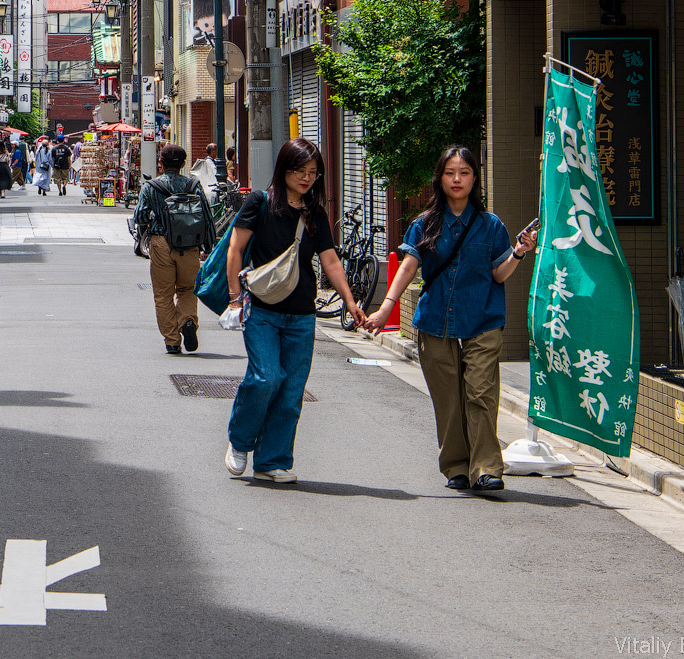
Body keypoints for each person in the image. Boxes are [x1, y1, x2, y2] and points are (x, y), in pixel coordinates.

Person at [364, 146, 538, 493]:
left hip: (483, 319)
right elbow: (410, 266)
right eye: (450, 173)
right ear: (440, 179)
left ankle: (486, 468)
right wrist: (386, 307)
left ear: (475, 178)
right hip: (436, 320)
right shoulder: (424, 224)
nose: (457, 179)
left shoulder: (491, 226)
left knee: (481, 393)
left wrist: (519, 252)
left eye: (464, 173)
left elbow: (499, 275)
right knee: (448, 400)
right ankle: (457, 467)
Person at [223, 138, 367, 483]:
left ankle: (272, 460)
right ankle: (240, 441)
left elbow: (329, 259)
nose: (306, 178)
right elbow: (235, 248)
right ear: (284, 168)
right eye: (300, 170)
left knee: (290, 391)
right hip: (262, 309)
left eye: (313, 173)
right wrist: (233, 296)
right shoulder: (259, 202)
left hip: (302, 314)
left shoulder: (314, 212)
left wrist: (349, 299)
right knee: (266, 377)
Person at [135, 144, 216, 354]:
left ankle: (172, 340)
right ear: (182, 164)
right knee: (187, 289)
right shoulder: (193, 185)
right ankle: (187, 321)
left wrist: (155, 217)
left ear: (160, 163)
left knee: (163, 294)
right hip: (189, 245)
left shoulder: (152, 187)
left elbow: (140, 217)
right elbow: (207, 218)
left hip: (161, 243)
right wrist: (208, 245)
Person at [52, 128, 71, 195]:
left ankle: (60, 191)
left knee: (57, 179)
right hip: (65, 165)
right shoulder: (66, 148)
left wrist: (54, 165)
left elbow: (53, 158)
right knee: (65, 178)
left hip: (57, 166)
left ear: (57, 140)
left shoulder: (54, 149)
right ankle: (64, 185)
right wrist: (69, 166)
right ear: (63, 140)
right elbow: (69, 158)